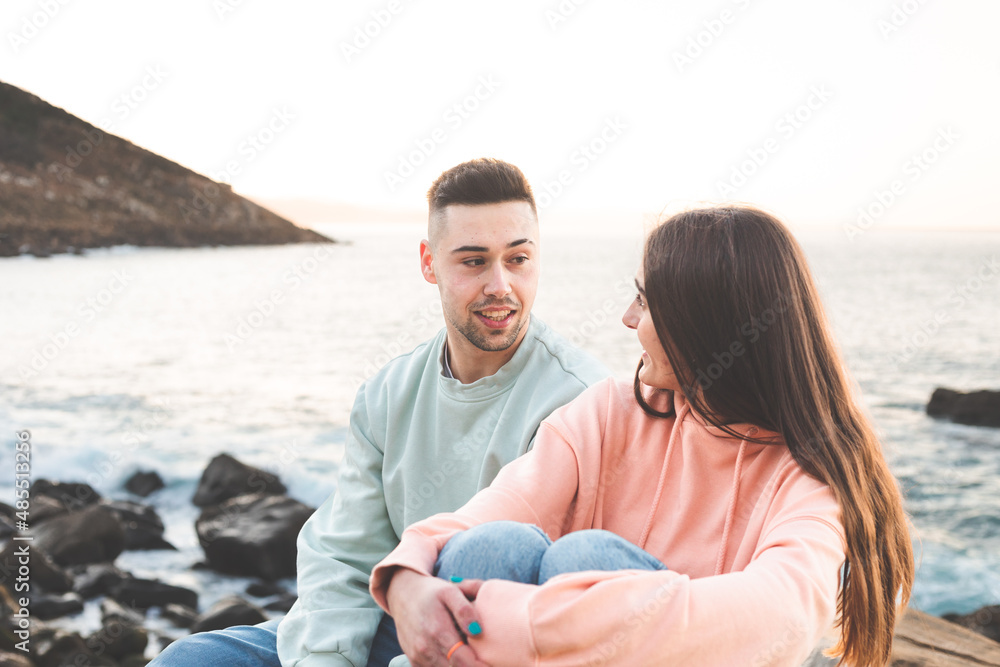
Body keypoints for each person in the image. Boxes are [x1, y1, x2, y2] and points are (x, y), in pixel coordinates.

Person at [371, 206, 915, 667]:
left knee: (584, 561)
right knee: (494, 545)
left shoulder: (807, 475)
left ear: (704, 324)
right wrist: (406, 580)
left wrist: (525, 623)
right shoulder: (610, 410)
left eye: (646, 301)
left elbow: (784, 613)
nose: (628, 319)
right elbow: (492, 509)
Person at [149, 158, 609, 666]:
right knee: (191, 659)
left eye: (518, 259)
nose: (499, 285)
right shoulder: (387, 393)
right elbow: (344, 556)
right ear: (429, 263)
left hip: (492, 646)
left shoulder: (581, 400)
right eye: (473, 261)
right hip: (385, 624)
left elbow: (565, 608)